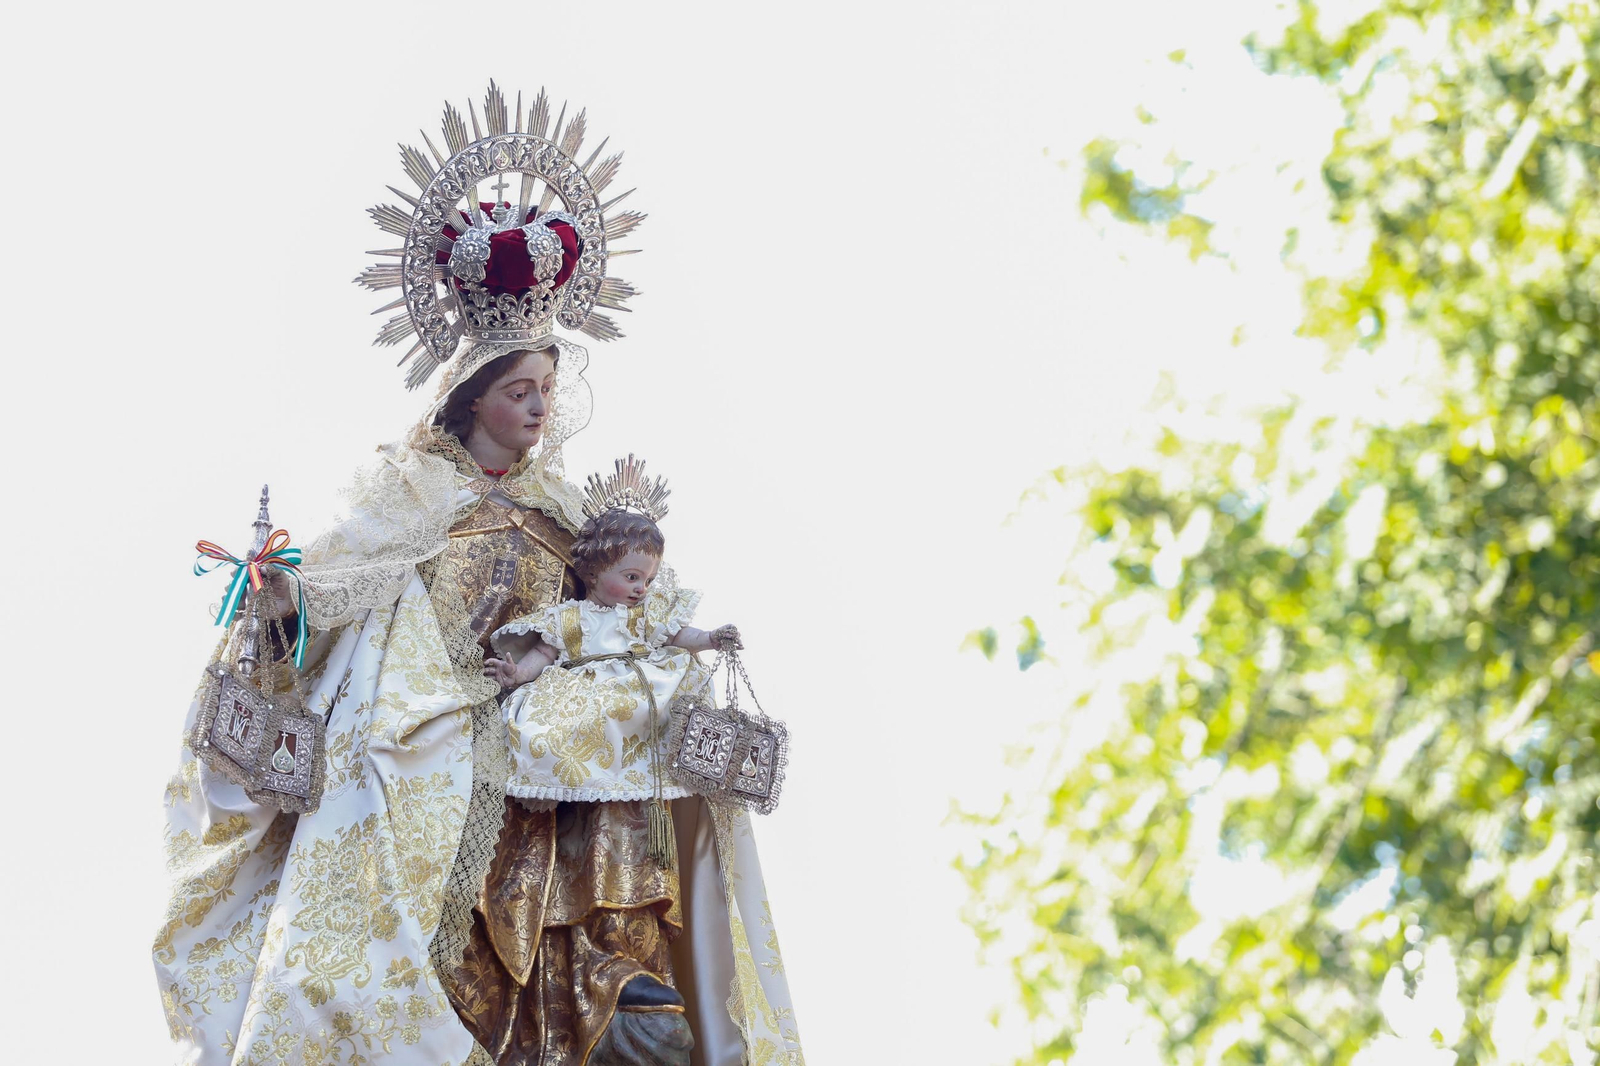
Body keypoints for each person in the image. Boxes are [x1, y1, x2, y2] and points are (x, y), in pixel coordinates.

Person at [156, 85, 803, 1066]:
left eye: (547, 389)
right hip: (440, 746)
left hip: (552, 753)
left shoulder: (570, 511)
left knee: (632, 724)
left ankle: (621, 971)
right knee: (415, 776)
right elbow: (334, 588)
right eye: (519, 391)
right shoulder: (407, 494)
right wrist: (285, 599)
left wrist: (668, 637)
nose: (539, 409)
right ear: (471, 399)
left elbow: (624, 600)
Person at [485, 472, 741, 811]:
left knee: (656, 705)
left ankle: (644, 781)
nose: (642, 589)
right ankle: (563, 781)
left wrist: (709, 638)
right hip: (583, 692)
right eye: (632, 577)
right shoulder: (569, 618)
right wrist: (517, 675)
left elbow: (679, 636)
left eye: (648, 579)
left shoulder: (645, 615)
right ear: (593, 572)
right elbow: (544, 652)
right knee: (544, 728)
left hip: (633, 689)